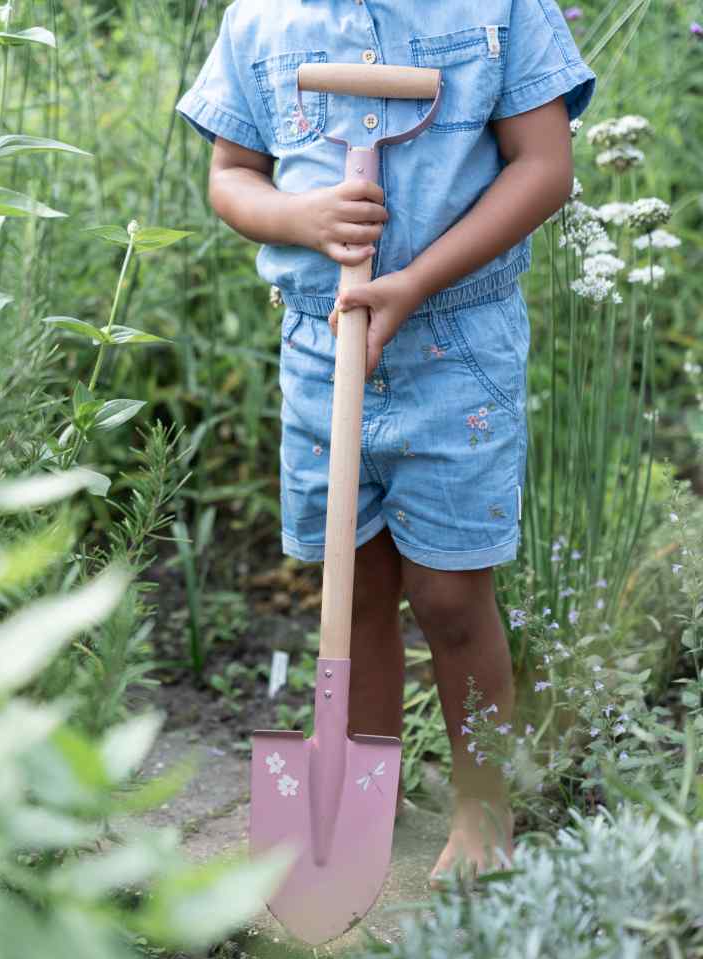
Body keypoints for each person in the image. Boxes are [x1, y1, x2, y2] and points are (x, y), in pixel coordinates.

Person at [176, 0, 595, 887]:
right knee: (352, 583)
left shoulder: (499, 8)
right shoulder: (259, 22)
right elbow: (233, 176)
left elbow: (545, 166)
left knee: (451, 595)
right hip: (320, 347)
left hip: (457, 348)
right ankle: (366, 801)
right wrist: (302, 218)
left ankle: (483, 811)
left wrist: (412, 283)